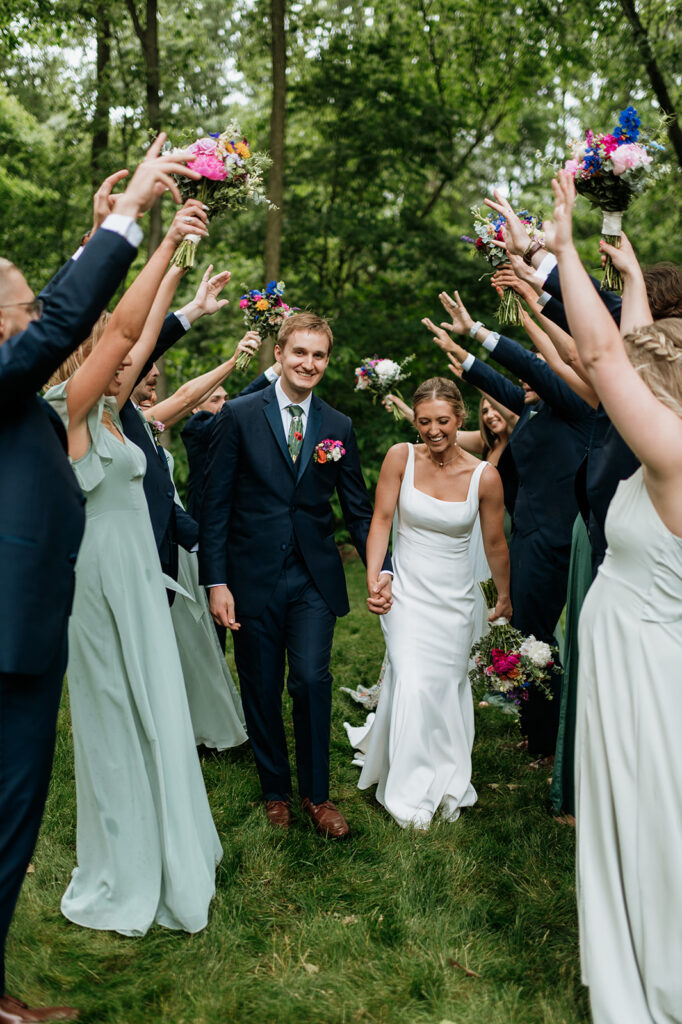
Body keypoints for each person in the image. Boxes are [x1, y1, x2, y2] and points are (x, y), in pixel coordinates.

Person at [0, 139, 197, 1024]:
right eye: (19, 305)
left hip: (33, 627)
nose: (31, 313)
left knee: (15, 822)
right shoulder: (21, 389)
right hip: (20, 634)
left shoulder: (40, 395)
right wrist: (129, 223)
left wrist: (148, 245)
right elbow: (80, 330)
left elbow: (105, 332)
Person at [44, 202, 222, 937]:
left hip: (139, 584)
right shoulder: (66, 410)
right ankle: (126, 861)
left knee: (160, 713)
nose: (126, 363)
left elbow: (139, 333)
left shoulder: (114, 410)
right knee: (114, 718)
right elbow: (120, 327)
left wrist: (179, 267)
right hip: (96, 585)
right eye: (105, 350)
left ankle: (174, 849)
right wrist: (153, 233)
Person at [546, 168, 682, 1024]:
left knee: (653, 827)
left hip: (647, 677)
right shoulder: (662, 450)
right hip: (631, 662)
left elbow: (603, 359)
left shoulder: (670, 462)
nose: (627, 399)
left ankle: (658, 982)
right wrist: (632, 281)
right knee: (635, 824)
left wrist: (561, 245)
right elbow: (630, 357)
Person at [199, 312, 392, 838]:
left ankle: (317, 795)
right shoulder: (238, 415)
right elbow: (214, 506)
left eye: (319, 355)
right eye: (299, 353)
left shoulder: (338, 426)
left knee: (310, 679)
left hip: (313, 576)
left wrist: (383, 567)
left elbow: (357, 508)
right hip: (250, 575)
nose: (309, 363)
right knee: (260, 686)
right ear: (279, 354)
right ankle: (275, 791)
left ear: (328, 361)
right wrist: (216, 581)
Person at [428, 298, 594, 759]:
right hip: (528, 536)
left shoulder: (574, 406)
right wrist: (464, 358)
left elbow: (532, 371)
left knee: (534, 635)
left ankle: (548, 741)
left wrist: (480, 332)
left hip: (554, 541)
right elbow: (505, 382)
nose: (528, 377)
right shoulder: (535, 411)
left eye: (538, 367)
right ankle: (537, 727)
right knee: (524, 631)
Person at [346, 377, 510, 829]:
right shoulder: (401, 457)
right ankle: (408, 789)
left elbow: (495, 544)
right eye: (424, 422)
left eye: (442, 421)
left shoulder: (484, 476)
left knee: (445, 687)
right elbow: (380, 520)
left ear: (460, 418)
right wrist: (376, 576)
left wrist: (505, 596)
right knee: (415, 679)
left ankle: (449, 773)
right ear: (413, 420)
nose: (433, 430)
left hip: (457, 599)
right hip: (408, 594)